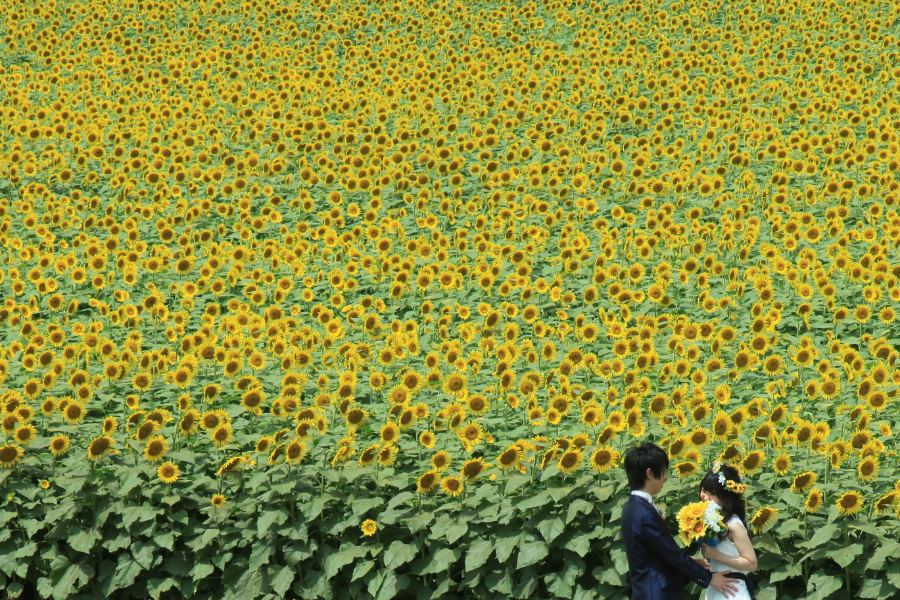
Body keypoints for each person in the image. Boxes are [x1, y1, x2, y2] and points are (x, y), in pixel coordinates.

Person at [621, 442, 740, 600]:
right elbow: (671, 553)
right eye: (663, 471)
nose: (665, 477)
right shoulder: (645, 514)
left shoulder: (631, 507)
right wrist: (709, 578)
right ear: (649, 473)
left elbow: (654, 553)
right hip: (656, 594)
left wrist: (696, 562)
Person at [698, 462, 758, 600]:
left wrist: (716, 555)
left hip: (733, 591)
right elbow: (720, 561)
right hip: (717, 588)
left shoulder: (734, 525)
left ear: (725, 497)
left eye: (711, 494)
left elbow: (751, 563)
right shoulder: (714, 521)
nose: (704, 497)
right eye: (703, 490)